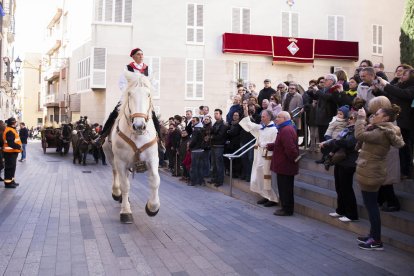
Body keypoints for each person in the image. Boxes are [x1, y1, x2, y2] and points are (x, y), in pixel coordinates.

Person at [355, 106, 404, 250]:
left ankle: (376, 240)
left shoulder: (382, 132)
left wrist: (360, 118)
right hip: (371, 170)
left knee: (372, 208)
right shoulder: (383, 129)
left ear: (385, 118)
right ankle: (373, 235)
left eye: (377, 114)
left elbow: (359, 135)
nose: (374, 116)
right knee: (371, 207)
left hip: (371, 172)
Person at [94, 48, 160, 145]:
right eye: (138, 54)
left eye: (142, 54)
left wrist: (146, 91)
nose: (141, 56)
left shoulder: (148, 69)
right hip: (130, 96)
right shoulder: (127, 68)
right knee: (114, 113)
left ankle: (160, 139)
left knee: (153, 115)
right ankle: (102, 136)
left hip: (143, 97)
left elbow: (153, 83)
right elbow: (122, 83)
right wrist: (130, 92)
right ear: (133, 56)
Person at [375, 69, 414, 180]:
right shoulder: (399, 85)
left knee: (405, 148)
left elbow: (404, 94)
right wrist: (377, 91)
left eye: (405, 74)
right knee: (399, 148)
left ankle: (407, 172)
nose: (401, 75)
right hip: (397, 121)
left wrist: (386, 85)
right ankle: (401, 170)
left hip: (406, 122)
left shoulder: (411, 87)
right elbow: (390, 96)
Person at [322, 111, 359, 221]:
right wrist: (332, 152)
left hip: (349, 161)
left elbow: (348, 143)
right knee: (339, 187)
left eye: (352, 117)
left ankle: (352, 214)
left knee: (346, 188)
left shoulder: (357, 130)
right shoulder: (347, 129)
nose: (349, 119)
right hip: (340, 160)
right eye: (349, 117)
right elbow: (339, 140)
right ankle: (341, 210)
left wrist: (333, 142)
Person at [240, 108, 279, 207]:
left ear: (269, 117)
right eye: (261, 116)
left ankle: (273, 198)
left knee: (268, 177)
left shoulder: (274, 129)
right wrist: (246, 113)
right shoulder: (262, 128)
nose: (261, 118)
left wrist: (263, 144)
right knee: (260, 176)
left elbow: (275, 143)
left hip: (268, 157)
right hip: (259, 157)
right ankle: (265, 195)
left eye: (263, 116)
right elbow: (250, 126)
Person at [267, 111, 299, 216]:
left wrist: (292, 160)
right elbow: (280, 144)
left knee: (285, 188)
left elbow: (290, 149)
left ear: (285, 119)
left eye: (279, 117)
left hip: (285, 165)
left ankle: (287, 209)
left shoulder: (286, 130)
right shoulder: (285, 129)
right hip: (284, 164)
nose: (276, 119)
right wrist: (270, 146)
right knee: (284, 187)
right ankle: (285, 208)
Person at [210, 109, 228, 187]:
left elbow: (220, 136)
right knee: (213, 164)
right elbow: (212, 132)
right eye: (214, 113)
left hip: (219, 146)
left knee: (219, 164)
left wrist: (211, 137)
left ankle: (220, 181)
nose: (215, 115)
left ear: (220, 114)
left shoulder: (223, 124)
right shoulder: (215, 124)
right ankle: (214, 178)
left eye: (217, 113)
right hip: (213, 146)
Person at [2, 118, 22, 188]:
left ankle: (11, 181)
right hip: (9, 153)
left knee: (12, 167)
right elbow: (10, 143)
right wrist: (18, 146)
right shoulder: (9, 131)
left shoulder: (12, 129)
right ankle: (8, 183)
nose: (16, 123)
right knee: (9, 168)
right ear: (13, 123)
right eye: (15, 122)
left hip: (12, 152)